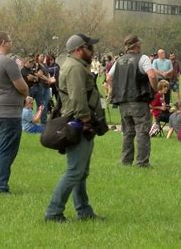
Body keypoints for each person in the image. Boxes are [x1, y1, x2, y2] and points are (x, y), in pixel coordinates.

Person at [45, 33, 104, 223]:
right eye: (90, 48)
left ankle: (84, 210)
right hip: (78, 122)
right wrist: (86, 122)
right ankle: (53, 213)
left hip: (80, 121)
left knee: (81, 171)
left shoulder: (76, 66)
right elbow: (78, 98)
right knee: (74, 171)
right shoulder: (75, 68)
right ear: (79, 50)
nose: (92, 51)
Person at [0, 31, 28, 194]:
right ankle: (0, 186)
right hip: (8, 113)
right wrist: (25, 94)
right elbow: (21, 86)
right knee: (6, 150)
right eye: (10, 41)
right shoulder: (8, 62)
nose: (11, 44)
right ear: (3, 42)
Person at [107, 35, 158, 168]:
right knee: (142, 131)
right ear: (137, 45)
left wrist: (115, 90)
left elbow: (109, 77)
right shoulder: (143, 58)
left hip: (123, 101)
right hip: (138, 100)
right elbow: (152, 75)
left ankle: (126, 161)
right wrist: (155, 89)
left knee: (128, 132)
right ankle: (142, 162)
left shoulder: (119, 60)